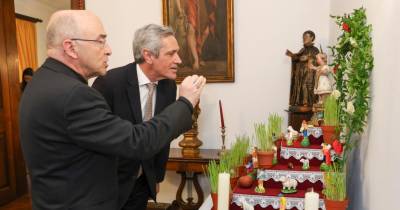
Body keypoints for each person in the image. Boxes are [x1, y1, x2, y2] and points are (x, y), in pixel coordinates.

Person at [19, 10, 206, 210]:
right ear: (71, 47)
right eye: (100, 41)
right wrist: (185, 102)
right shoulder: (76, 94)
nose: (108, 50)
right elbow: (136, 141)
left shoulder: (42, 81)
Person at [92, 24, 182, 210]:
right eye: (171, 54)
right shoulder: (108, 83)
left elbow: (162, 136)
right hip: (110, 184)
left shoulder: (168, 87)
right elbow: (97, 139)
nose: (178, 60)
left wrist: (156, 177)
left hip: (142, 182)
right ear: (148, 55)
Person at [286, 30, 320, 107]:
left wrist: (309, 58)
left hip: (310, 75)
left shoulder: (315, 50)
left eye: (306, 37)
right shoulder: (302, 50)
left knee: (308, 87)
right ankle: (300, 101)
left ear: (312, 38)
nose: (304, 38)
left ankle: (309, 102)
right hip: (301, 75)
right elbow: (298, 59)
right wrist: (294, 57)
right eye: (303, 37)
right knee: (301, 88)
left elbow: (318, 61)